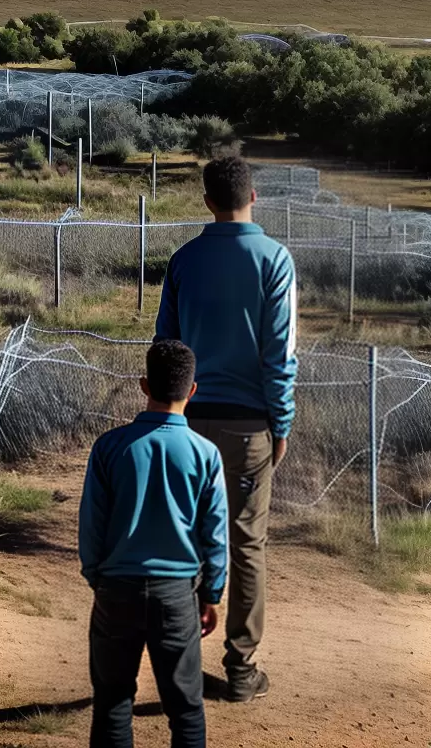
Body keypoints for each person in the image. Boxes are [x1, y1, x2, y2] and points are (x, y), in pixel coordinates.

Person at [155, 155, 297, 703]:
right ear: (253, 196)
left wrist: (169, 413)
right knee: (246, 543)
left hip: (187, 421)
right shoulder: (274, 260)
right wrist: (279, 423)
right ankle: (241, 667)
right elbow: (279, 355)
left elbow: (166, 346)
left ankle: (182, 662)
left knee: (186, 537)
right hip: (249, 428)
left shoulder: (184, 260)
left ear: (208, 201)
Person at [79, 340, 229, 748]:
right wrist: (212, 594)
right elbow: (215, 535)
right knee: (185, 708)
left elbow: (91, 525)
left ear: (144, 385)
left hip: (116, 589)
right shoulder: (206, 455)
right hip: (176, 595)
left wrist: (99, 578)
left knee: (112, 702)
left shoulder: (109, 447)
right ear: (192, 390)